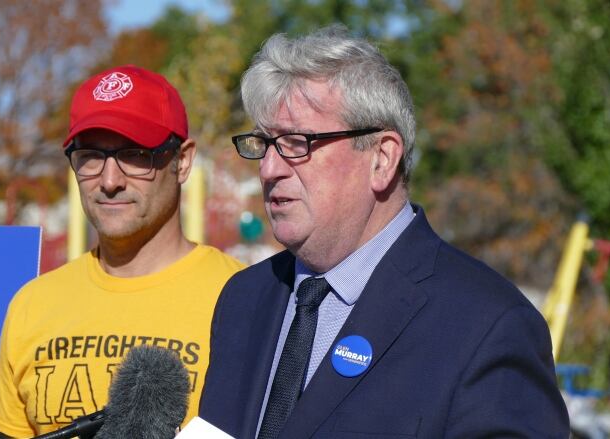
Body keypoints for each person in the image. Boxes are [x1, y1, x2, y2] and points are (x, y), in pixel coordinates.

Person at [199, 25, 569, 438]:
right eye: (264, 144)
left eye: (297, 143)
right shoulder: (244, 299)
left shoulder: (487, 326)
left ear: (382, 158)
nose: (269, 168)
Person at [0, 65, 245, 438]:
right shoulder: (33, 304)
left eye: (135, 154)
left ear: (183, 161)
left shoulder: (243, 300)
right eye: (91, 155)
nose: (109, 181)